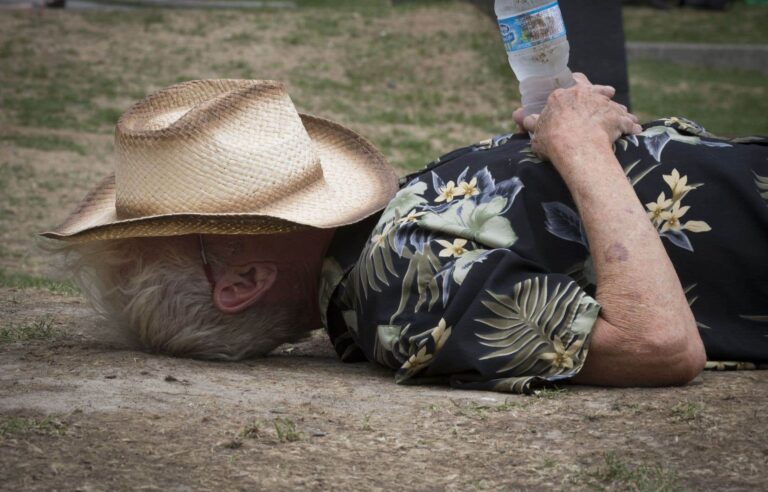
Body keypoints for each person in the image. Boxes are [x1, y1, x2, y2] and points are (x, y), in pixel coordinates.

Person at [45, 77, 767, 394]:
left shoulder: (382, 259)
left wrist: (572, 143)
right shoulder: (405, 296)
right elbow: (659, 344)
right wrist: (580, 151)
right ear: (241, 283)